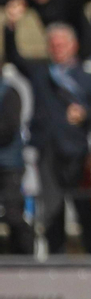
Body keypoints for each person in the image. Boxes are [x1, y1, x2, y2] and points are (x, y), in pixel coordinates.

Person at [3, 11, 91, 254]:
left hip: (77, 154)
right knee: (52, 212)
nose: (57, 49)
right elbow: (15, 57)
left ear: (74, 46)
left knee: (85, 212)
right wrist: (10, 27)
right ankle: (56, 261)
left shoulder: (86, 79)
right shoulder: (41, 74)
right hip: (48, 153)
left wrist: (85, 115)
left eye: (62, 45)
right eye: (53, 45)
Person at [0, 71, 29, 254]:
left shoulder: (9, 92)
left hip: (8, 164)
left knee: (13, 214)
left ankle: (24, 258)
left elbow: (9, 128)